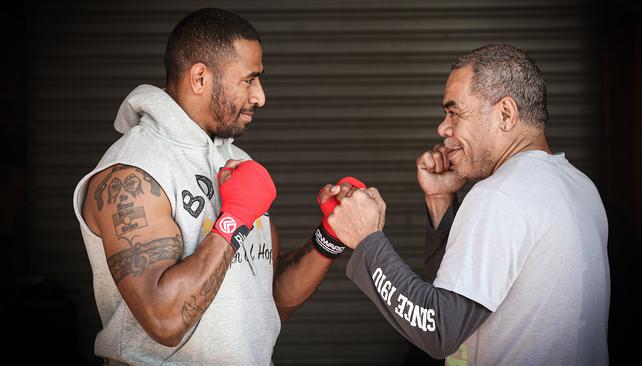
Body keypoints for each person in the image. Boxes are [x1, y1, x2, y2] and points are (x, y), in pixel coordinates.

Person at [72, 8, 362, 365]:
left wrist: (328, 237)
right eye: (249, 79)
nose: (261, 96)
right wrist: (234, 217)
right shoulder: (133, 174)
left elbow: (267, 302)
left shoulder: (236, 161)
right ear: (199, 78)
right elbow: (164, 319)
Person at [326, 44, 610, 365]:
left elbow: (440, 330)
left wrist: (367, 239)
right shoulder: (580, 186)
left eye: (454, 112)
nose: (443, 128)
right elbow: (465, 293)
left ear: (505, 114)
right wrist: (440, 200)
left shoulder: (500, 195)